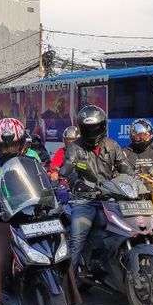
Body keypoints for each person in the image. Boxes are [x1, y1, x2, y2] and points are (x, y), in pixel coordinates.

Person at [0, 118, 89, 305]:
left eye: (12, 145)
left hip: (38, 216)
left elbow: (50, 185)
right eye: (3, 145)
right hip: (2, 220)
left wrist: (60, 193)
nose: (8, 149)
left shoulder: (32, 161)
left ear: (21, 143)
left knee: (62, 255)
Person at [60, 105, 135, 267]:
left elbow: (126, 167)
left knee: (131, 227)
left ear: (102, 127)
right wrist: (78, 184)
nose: (92, 132)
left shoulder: (112, 145)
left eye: (95, 128)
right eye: (87, 129)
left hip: (110, 197)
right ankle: (68, 285)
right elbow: (68, 168)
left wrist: (137, 182)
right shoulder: (75, 148)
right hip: (85, 200)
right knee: (77, 239)